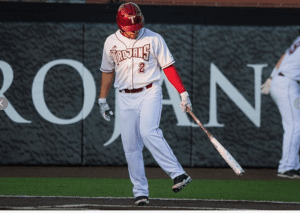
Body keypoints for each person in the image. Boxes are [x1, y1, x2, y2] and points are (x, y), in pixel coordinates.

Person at [98, 2, 192, 206]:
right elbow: (107, 72)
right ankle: (140, 192)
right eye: (130, 29)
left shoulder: (153, 38)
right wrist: (102, 99)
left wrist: (182, 93)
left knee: (149, 131)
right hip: (124, 96)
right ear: (120, 25)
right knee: (130, 147)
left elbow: (168, 67)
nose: (134, 31)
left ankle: (178, 174)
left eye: (136, 27)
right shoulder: (110, 42)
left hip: (150, 90)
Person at [261, 33, 300, 179]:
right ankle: (287, 167)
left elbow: (284, 56)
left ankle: (293, 165)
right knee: (295, 126)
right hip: (287, 84)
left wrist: (271, 77)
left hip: (281, 81)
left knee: (294, 125)